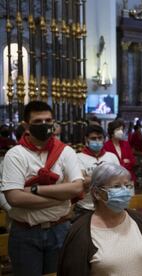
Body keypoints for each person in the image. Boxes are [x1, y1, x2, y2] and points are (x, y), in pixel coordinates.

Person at [1, 101, 84, 276]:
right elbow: (14, 198)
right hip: (25, 233)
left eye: (48, 120)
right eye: (38, 122)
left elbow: (77, 188)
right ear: (26, 126)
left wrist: (34, 190)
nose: (44, 125)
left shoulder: (65, 152)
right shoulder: (16, 154)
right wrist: (61, 196)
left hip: (60, 229)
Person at [58, 163, 142, 276]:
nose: (124, 191)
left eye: (127, 186)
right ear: (97, 193)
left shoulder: (139, 221)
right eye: (116, 186)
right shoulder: (81, 232)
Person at [75, 125, 120, 219]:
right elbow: (82, 182)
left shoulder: (112, 157)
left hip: (109, 206)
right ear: (86, 139)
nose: (97, 141)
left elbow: (119, 179)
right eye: (93, 138)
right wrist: (108, 177)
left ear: (104, 139)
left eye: (100, 138)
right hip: (85, 208)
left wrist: (91, 179)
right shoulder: (78, 157)